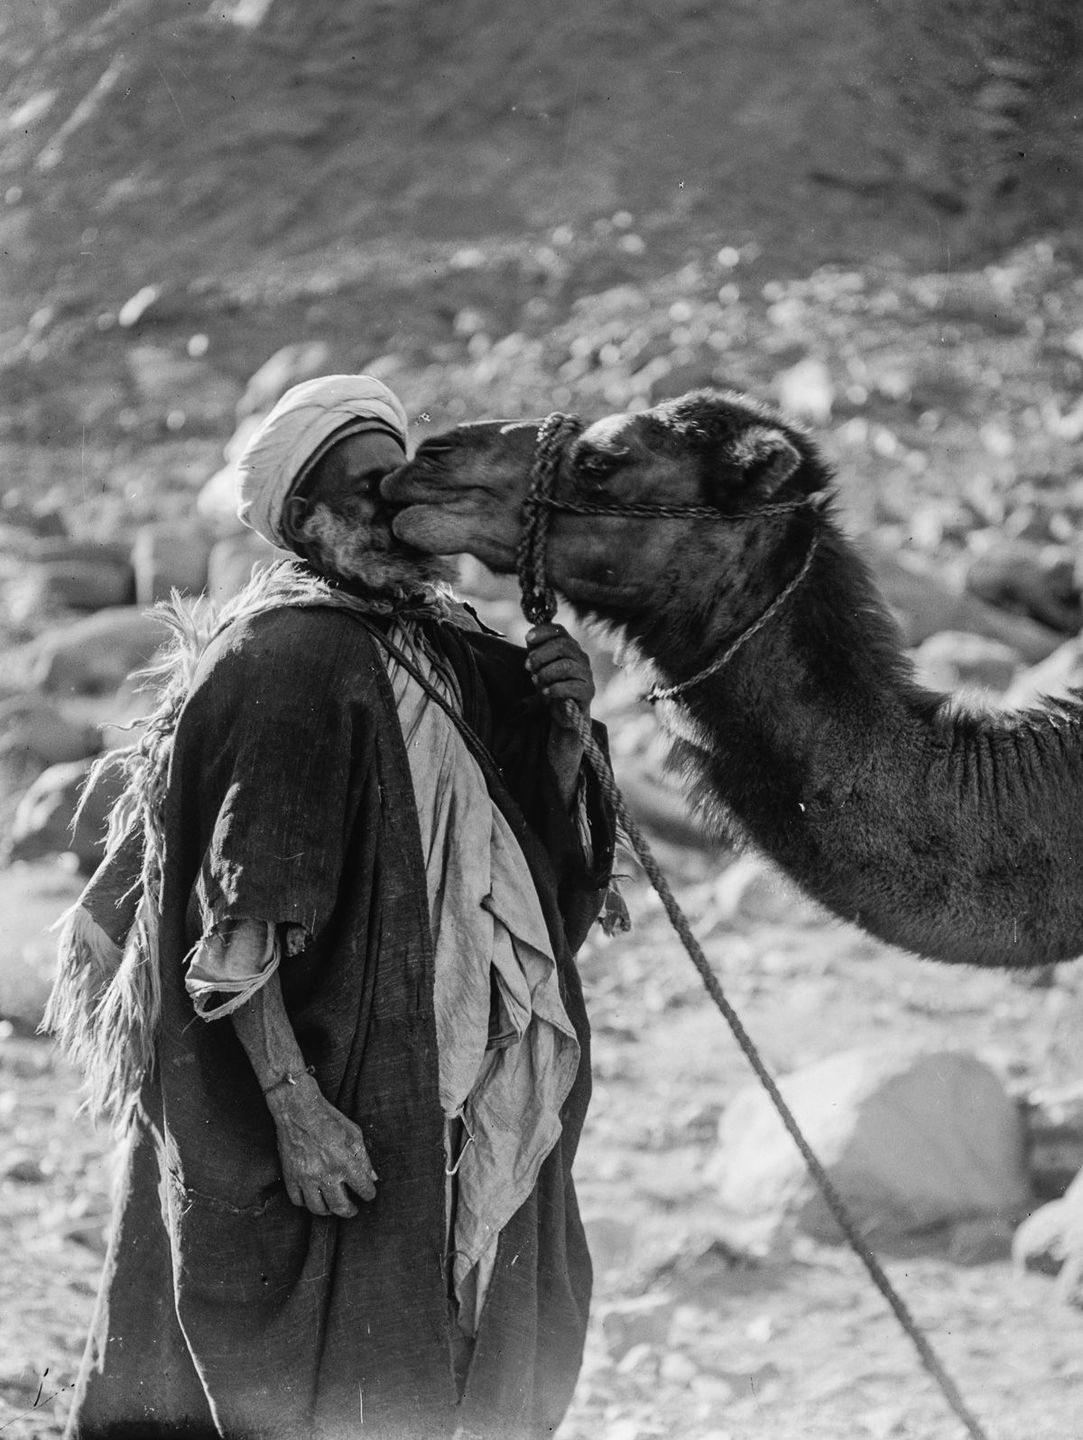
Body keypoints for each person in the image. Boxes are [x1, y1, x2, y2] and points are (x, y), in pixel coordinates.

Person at [47, 375, 617, 1440]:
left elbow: (542, 854)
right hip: (332, 1079)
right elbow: (236, 921)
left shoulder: (445, 646)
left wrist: (562, 723)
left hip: (453, 1058)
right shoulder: (287, 660)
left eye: (399, 479)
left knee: (437, 1329)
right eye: (363, 487)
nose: (395, 503)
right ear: (304, 517)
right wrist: (299, 1115)